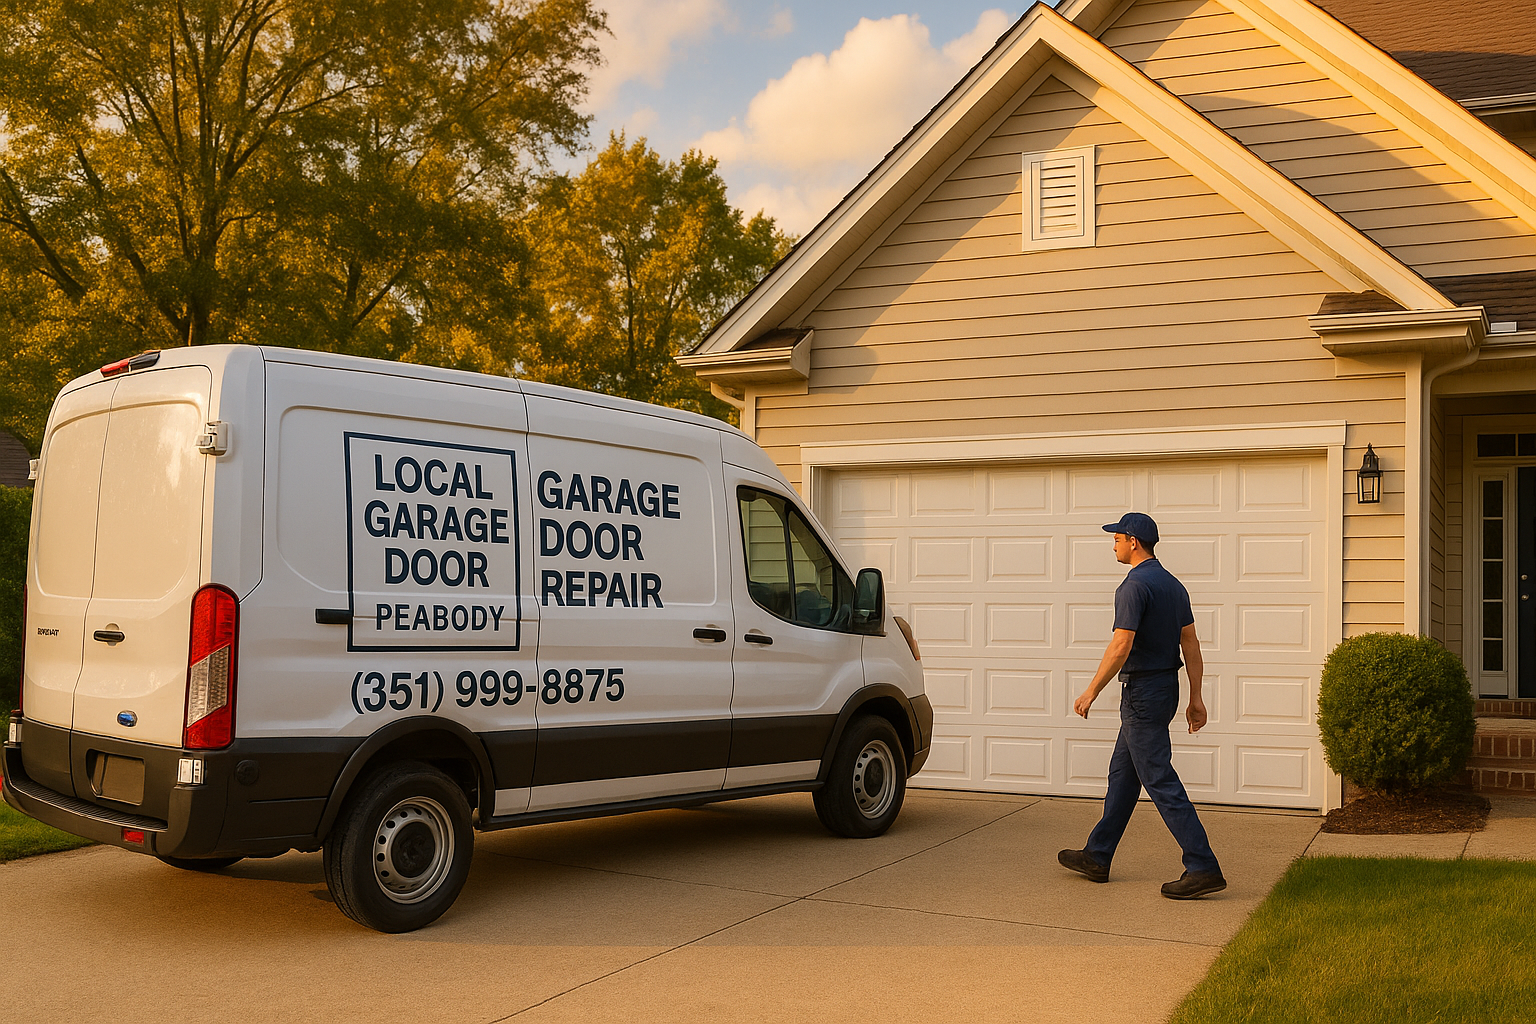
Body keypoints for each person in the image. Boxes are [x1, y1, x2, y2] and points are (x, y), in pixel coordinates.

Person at [1056, 512, 1226, 899]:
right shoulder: (1174, 586)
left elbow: (1121, 644)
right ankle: (1097, 856)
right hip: (1164, 689)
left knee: (1160, 780)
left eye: (1116, 537)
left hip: (1142, 695)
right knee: (1123, 775)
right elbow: (1191, 644)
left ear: (1134, 541)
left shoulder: (1133, 586)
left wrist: (1091, 691)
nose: (1112, 543)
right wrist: (1196, 696)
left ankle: (1202, 865)